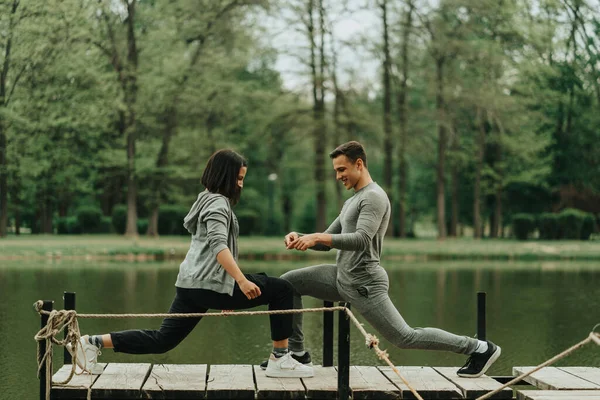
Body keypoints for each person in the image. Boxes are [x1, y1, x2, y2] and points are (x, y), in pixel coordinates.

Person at [68, 149, 313, 379]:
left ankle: (91, 343)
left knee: (162, 340)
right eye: (238, 178)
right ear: (225, 176)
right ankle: (280, 359)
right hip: (209, 285)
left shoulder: (205, 199)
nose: (241, 184)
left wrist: (227, 286)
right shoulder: (218, 204)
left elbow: (212, 248)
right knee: (282, 289)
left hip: (192, 284)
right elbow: (219, 246)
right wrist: (238, 281)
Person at [263, 141, 500, 378]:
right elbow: (327, 242)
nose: (338, 176)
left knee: (405, 337)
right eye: (336, 170)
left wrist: (317, 237)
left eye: (342, 170)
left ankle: (480, 348)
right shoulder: (351, 201)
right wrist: (303, 238)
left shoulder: (374, 197)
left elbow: (361, 239)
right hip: (340, 277)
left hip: (365, 283)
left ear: (359, 164)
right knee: (287, 284)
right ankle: (296, 353)